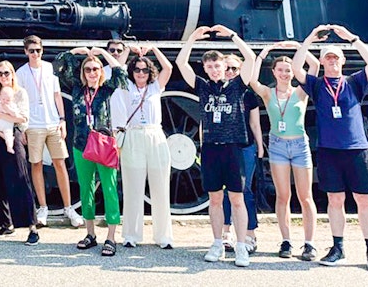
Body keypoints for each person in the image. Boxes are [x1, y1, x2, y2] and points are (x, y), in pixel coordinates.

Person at [293, 24, 368, 272]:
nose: (332, 61)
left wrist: (352, 38)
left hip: (356, 149)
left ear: (342, 61)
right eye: (328, 58)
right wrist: (310, 37)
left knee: (364, 200)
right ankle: (337, 247)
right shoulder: (317, 85)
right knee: (335, 199)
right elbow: (295, 68)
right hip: (329, 150)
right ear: (322, 62)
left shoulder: (354, 82)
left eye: (335, 57)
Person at [176, 25, 257, 267]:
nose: (213, 70)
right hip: (211, 147)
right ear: (206, 69)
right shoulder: (202, 86)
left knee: (237, 198)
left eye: (217, 66)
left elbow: (250, 58)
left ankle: (241, 245)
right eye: (209, 67)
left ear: (224, 67)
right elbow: (182, 63)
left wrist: (231, 35)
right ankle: (217, 242)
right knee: (214, 198)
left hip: (232, 147)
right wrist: (192, 38)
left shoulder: (237, 85)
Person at [250, 41, 319, 262]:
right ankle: (286, 240)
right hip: (278, 146)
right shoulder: (268, 93)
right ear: (274, 72)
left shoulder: (301, 91)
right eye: (280, 70)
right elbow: (251, 79)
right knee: (283, 196)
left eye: (288, 70)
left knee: (305, 197)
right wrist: (264, 53)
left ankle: (309, 243)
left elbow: (314, 66)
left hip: (299, 145)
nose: (284, 73)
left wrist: (300, 47)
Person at [62, 46, 127, 257]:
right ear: (83, 72)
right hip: (81, 144)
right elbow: (61, 65)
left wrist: (102, 53)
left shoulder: (107, 89)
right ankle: (90, 234)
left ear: (101, 71)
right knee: (85, 189)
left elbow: (120, 72)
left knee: (109, 188)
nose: (92, 72)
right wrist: (77, 51)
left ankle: (111, 237)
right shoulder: (77, 89)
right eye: (88, 69)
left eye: (96, 69)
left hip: (104, 143)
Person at [111, 45, 174, 250]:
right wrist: (128, 50)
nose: (140, 73)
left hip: (155, 134)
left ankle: (163, 236)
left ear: (150, 72)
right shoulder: (125, 86)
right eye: (137, 69)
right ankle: (130, 234)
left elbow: (168, 68)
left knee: (161, 187)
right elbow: (118, 68)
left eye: (144, 70)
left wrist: (154, 49)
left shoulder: (156, 87)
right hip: (134, 134)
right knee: (133, 187)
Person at [17, 35, 84, 228]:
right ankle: (43, 207)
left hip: (53, 122)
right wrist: (22, 128)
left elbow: (57, 95)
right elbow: (20, 100)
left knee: (60, 163)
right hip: (33, 124)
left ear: (42, 50)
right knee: (36, 164)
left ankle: (68, 207)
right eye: (31, 51)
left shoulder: (49, 69)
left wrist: (62, 120)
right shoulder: (21, 73)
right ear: (26, 52)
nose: (35, 54)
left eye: (38, 50)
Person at [0, 60, 40, 245]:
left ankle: (32, 227)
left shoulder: (20, 93)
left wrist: (2, 117)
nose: (3, 76)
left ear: (12, 74)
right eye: (0, 73)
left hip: (13, 136)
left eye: (6, 73)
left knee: (20, 179)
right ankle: (5, 223)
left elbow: (23, 118)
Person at [221, 54, 264, 256]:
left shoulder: (247, 95)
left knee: (244, 190)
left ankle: (250, 233)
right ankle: (226, 231)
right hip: (222, 146)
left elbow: (255, 123)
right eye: (227, 68)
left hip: (245, 146)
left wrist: (260, 145)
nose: (230, 72)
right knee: (223, 191)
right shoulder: (215, 91)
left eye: (234, 69)